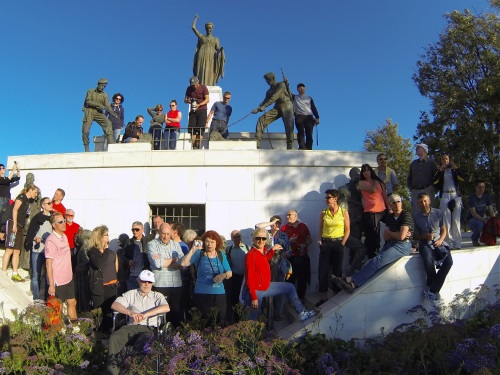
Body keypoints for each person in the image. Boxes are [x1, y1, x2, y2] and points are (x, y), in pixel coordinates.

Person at [332, 194, 413, 293]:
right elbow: (386, 236)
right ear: (390, 205)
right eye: (393, 202)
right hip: (390, 244)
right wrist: (396, 234)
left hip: (402, 246)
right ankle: (352, 282)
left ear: (401, 202)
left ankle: (352, 282)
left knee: (378, 260)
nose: (396, 204)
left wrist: (392, 234)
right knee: (371, 261)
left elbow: (401, 237)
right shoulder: (390, 217)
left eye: (398, 201)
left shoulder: (406, 215)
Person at [243, 228, 315, 322]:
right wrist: (254, 297)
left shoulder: (261, 252)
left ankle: (301, 313)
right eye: (258, 238)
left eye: (263, 238)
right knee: (251, 320)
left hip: (265, 286)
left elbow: (264, 260)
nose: (261, 241)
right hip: (256, 291)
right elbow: (250, 278)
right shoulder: (251, 255)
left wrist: (272, 250)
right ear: (253, 239)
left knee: (290, 287)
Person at [107, 270, 170, 375]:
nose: (146, 284)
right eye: (144, 281)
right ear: (138, 280)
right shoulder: (131, 294)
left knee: (143, 341)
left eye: (149, 282)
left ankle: (133, 371)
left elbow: (166, 307)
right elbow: (115, 305)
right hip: (131, 326)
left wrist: (146, 314)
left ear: (153, 283)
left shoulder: (157, 296)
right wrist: (130, 313)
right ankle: (113, 372)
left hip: (149, 328)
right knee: (115, 337)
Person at [317, 189, 366, 306]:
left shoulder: (343, 212)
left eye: (328, 197)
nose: (326, 200)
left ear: (335, 198)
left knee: (337, 270)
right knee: (322, 271)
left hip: (338, 243)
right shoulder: (324, 212)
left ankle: (336, 295)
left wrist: (343, 242)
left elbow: (347, 229)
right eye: (326, 198)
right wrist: (320, 241)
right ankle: (324, 298)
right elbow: (320, 228)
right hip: (326, 243)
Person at [180, 230, 232, 326]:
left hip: (219, 294)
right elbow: (183, 263)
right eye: (207, 241)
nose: (209, 244)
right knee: (204, 323)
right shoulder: (199, 253)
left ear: (217, 243)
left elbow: (229, 272)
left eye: (212, 242)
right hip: (202, 293)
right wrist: (192, 250)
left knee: (220, 322)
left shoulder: (221, 255)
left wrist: (223, 275)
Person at [413, 193, 453, 303]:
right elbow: (414, 236)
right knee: (428, 260)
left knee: (449, 261)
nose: (423, 203)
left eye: (425, 201)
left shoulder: (438, 213)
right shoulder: (416, 217)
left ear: (429, 201)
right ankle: (434, 291)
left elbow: (444, 230)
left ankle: (432, 289)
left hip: (438, 241)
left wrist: (440, 240)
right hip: (425, 242)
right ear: (418, 203)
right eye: (421, 202)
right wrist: (424, 236)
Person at [255, 216, 292, 321]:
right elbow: (257, 226)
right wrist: (271, 223)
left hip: (280, 266)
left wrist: (285, 253)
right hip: (267, 266)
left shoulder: (284, 236)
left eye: (279, 223)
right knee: (265, 289)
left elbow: (289, 250)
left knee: (279, 289)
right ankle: (265, 312)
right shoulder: (265, 234)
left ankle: (276, 311)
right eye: (275, 223)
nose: (277, 225)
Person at [147, 223, 183, 327]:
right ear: (158, 232)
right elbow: (158, 264)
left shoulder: (176, 245)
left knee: (176, 313)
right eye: (163, 233)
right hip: (161, 284)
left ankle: (177, 339)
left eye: (168, 233)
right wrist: (175, 260)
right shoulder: (152, 244)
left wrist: (166, 261)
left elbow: (183, 263)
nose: (166, 236)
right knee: (161, 313)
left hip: (176, 284)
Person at [2, 183, 39, 282]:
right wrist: (14, 224)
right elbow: (15, 209)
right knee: (9, 249)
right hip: (13, 224)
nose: (36, 195)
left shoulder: (28, 202)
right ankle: (4, 272)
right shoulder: (21, 197)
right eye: (35, 192)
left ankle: (15, 272)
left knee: (17, 250)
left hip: (20, 226)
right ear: (30, 190)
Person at [45, 212, 77, 321]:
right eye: (60, 222)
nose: (64, 223)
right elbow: (48, 264)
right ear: (54, 225)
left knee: (72, 302)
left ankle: (75, 328)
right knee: (57, 308)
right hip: (58, 280)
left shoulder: (64, 236)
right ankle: (56, 332)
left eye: (64, 220)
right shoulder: (51, 240)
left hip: (68, 277)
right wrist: (51, 284)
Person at [252, 72, 295, 150]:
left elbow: (275, 97)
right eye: (266, 80)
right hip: (277, 107)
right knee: (262, 119)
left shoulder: (282, 84)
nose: (267, 81)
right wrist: (258, 109)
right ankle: (257, 143)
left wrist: (264, 106)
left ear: (273, 78)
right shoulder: (269, 91)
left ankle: (290, 145)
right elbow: (264, 102)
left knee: (289, 125)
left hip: (286, 105)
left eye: (268, 79)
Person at [88, 225, 118, 332]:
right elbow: (98, 264)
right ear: (99, 237)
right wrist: (105, 250)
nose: (108, 237)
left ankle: (109, 333)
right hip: (99, 287)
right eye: (106, 235)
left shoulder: (110, 252)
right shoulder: (93, 252)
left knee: (110, 311)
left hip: (111, 285)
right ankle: (99, 336)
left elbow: (115, 268)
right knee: (99, 313)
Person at [433, 153, 465, 249]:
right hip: (445, 194)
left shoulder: (454, 170)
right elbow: (434, 181)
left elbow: (463, 178)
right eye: (443, 159)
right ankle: (448, 241)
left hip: (455, 195)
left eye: (446, 159)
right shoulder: (439, 171)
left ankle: (457, 242)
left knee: (456, 219)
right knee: (446, 219)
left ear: (449, 160)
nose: (445, 161)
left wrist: (456, 168)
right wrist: (440, 170)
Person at [359, 164, 390, 258]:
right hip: (371, 211)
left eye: (368, 170)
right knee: (373, 235)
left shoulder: (379, 183)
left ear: (371, 171)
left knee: (393, 225)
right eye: (364, 171)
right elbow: (372, 190)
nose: (366, 172)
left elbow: (384, 196)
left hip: (383, 210)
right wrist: (377, 182)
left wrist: (389, 208)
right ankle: (372, 255)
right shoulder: (362, 182)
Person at [24, 197, 52, 300]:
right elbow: (30, 233)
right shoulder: (37, 218)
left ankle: (46, 298)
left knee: (49, 275)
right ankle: (36, 299)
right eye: (48, 203)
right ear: (43, 205)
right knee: (36, 275)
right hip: (37, 250)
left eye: (51, 202)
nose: (51, 204)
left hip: (49, 251)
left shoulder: (53, 218)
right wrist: (35, 238)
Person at [281, 210, 312, 300]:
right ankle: (291, 300)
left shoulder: (303, 226)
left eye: (289, 215)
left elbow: (309, 239)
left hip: (302, 256)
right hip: (290, 257)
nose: (287, 217)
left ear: (295, 216)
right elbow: (281, 244)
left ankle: (301, 298)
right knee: (290, 280)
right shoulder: (284, 228)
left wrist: (305, 245)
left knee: (303, 279)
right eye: (286, 215)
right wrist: (289, 241)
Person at [81, 78, 119, 152]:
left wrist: (113, 113)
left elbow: (107, 106)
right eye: (101, 85)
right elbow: (88, 101)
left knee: (108, 123)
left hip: (99, 112)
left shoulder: (105, 95)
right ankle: (86, 148)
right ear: (98, 84)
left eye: (104, 86)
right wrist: (99, 105)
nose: (102, 87)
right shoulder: (91, 91)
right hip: (89, 111)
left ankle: (111, 143)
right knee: (85, 131)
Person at [191, 14, 225, 86]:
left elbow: (217, 48)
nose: (209, 30)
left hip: (211, 55)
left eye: (210, 28)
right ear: (205, 29)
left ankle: (210, 83)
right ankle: (200, 84)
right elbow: (193, 27)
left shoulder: (215, 39)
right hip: (202, 54)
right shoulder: (201, 36)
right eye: (207, 28)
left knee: (210, 70)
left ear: (212, 29)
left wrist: (220, 50)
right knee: (200, 69)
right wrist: (196, 18)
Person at [407, 143, 439, 217]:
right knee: (415, 212)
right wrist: (411, 188)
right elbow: (409, 178)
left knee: (430, 210)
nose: (416, 149)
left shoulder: (431, 162)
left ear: (424, 150)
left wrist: (432, 187)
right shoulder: (414, 163)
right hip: (415, 191)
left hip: (428, 190)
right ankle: (417, 228)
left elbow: (437, 176)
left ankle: (431, 227)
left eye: (418, 148)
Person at [224, 230, 249, 322]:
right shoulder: (229, 249)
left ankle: (245, 320)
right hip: (234, 278)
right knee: (235, 299)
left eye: (239, 236)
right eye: (235, 237)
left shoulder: (247, 248)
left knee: (245, 298)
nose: (237, 238)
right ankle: (236, 320)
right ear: (232, 238)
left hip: (245, 278)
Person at [467, 180, 495, 246]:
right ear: (476, 187)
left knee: (493, 223)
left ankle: (488, 240)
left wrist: (493, 220)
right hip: (472, 219)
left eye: (483, 187)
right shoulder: (471, 197)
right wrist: (484, 220)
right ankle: (474, 239)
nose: (481, 189)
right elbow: (474, 214)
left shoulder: (487, 197)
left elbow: (491, 210)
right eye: (479, 187)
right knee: (480, 224)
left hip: (482, 218)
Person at [184, 76, 209, 149]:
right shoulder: (189, 89)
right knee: (192, 129)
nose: (194, 86)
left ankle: (198, 145)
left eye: (195, 84)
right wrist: (188, 101)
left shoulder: (203, 87)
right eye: (192, 85)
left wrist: (200, 104)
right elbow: (185, 99)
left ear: (198, 82)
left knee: (200, 129)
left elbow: (207, 99)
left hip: (202, 110)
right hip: (193, 110)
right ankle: (193, 145)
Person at [293, 83, 320, 150]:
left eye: (302, 87)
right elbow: (287, 91)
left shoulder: (309, 98)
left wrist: (317, 117)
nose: (301, 88)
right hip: (299, 116)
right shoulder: (294, 97)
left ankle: (309, 148)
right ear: (297, 89)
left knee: (309, 134)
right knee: (301, 132)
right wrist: (286, 82)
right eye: (299, 87)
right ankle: (302, 147)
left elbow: (313, 108)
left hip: (309, 117)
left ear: (305, 89)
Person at [124, 221, 150, 291]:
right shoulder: (128, 242)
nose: (135, 232)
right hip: (131, 276)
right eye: (133, 230)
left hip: (144, 276)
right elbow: (123, 256)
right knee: (132, 298)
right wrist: (128, 261)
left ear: (142, 230)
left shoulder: (148, 242)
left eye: (137, 230)